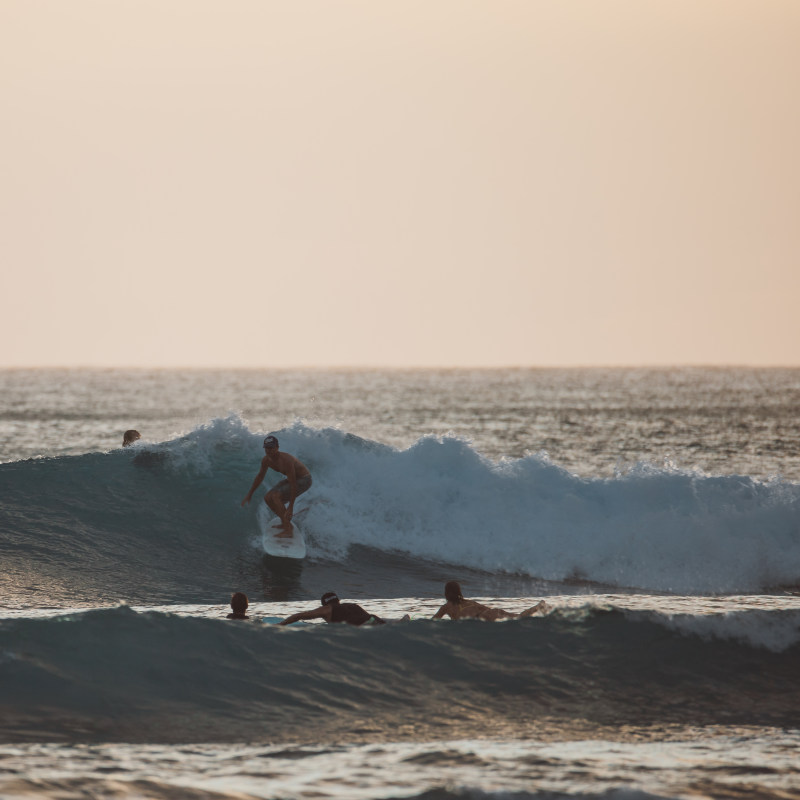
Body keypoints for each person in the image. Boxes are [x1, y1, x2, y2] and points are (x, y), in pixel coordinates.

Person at [241, 435, 312, 534]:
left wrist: (291, 507)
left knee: (275, 496)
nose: (269, 450)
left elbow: (293, 484)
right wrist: (250, 493)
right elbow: (260, 477)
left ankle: (288, 529)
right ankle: (284, 522)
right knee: (267, 498)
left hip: (304, 480)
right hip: (294, 479)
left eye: (271, 448)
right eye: (266, 448)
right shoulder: (266, 460)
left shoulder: (286, 460)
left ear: (277, 447)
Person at [432, 580, 548, 621]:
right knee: (519, 617)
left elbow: (433, 620)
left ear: (447, 593)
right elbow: (486, 609)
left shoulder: (447, 606)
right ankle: (538, 607)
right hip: (491, 612)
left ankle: (538, 607)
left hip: (481, 618)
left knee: (519, 619)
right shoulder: (468, 602)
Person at [279, 592, 385, 626]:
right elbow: (368, 617)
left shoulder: (327, 609)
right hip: (373, 619)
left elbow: (299, 616)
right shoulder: (352, 605)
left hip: (359, 625)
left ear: (324, 604)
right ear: (338, 601)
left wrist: (279, 625)